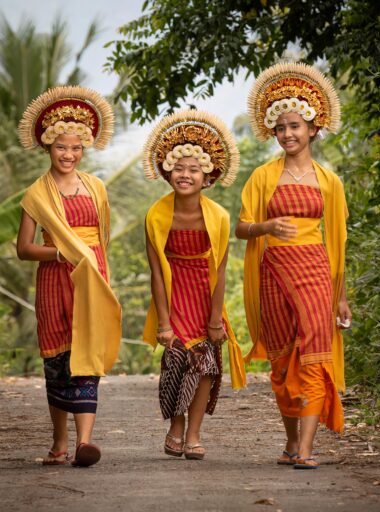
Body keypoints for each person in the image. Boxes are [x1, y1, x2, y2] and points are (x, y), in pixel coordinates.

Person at [235, 62, 351, 469]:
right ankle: (290, 444)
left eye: (295, 126)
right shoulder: (262, 177)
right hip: (274, 273)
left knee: (316, 356)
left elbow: (338, 241)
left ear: (313, 129)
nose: (287, 134)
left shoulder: (329, 182)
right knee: (283, 362)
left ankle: (305, 450)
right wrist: (266, 226)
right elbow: (241, 227)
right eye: (281, 128)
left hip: (317, 271)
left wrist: (341, 297)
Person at [15, 86, 122, 467]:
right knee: (58, 359)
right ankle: (59, 442)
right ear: (48, 147)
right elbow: (24, 248)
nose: (69, 155)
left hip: (91, 277)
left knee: (86, 355)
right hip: (54, 280)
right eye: (62, 147)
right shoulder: (36, 194)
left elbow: (102, 237)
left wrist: (95, 270)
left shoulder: (96, 188)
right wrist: (59, 252)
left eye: (76, 148)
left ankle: (84, 443)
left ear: (84, 149)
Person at [142, 109, 247, 460]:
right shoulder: (156, 214)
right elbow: (157, 271)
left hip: (204, 295)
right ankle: (175, 426)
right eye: (179, 168)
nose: (185, 175)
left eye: (194, 169)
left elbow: (220, 270)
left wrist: (216, 319)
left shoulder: (218, 216)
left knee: (205, 366)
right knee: (175, 362)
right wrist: (163, 321)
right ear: (167, 170)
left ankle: (194, 434)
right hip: (173, 295)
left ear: (208, 176)